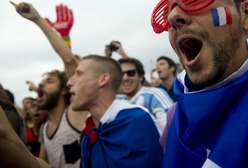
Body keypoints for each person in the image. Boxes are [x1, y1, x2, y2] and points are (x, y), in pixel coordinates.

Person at [151, 0, 248, 167]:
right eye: (167, 10)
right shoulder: (174, 122)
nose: (173, 16)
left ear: (246, 15)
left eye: (194, 1)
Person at [12, 2, 88, 167]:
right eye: (41, 82)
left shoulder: (76, 113)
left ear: (64, 90)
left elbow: (68, 59)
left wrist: (38, 19)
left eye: (49, 81)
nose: (40, 86)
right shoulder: (44, 130)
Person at [67, 55, 162, 168]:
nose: (69, 82)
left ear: (103, 79)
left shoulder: (137, 121)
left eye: (78, 74)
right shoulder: (89, 133)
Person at [118, 57, 173, 134]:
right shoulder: (117, 101)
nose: (125, 78)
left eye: (130, 73)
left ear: (140, 77)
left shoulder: (154, 95)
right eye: (121, 74)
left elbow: (172, 130)